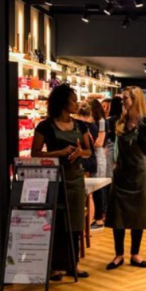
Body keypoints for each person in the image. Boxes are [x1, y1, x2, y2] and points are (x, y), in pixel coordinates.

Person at [31, 84, 92, 280]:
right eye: (73, 100)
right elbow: (35, 154)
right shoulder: (45, 126)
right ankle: (55, 266)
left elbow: (89, 151)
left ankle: (72, 264)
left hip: (75, 179)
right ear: (63, 102)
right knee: (56, 222)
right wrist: (60, 152)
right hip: (55, 179)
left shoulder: (81, 125)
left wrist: (79, 153)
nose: (77, 103)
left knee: (75, 222)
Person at [106, 86, 146, 271]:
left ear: (135, 100)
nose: (123, 102)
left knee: (139, 214)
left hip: (140, 175)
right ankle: (118, 254)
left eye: (125, 98)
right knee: (118, 215)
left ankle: (135, 253)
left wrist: (144, 166)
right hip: (121, 173)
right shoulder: (118, 122)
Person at [94, 96, 122, 230]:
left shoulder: (108, 121)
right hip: (120, 154)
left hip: (108, 153)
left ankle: (105, 212)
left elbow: (103, 142)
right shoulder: (123, 121)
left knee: (106, 182)